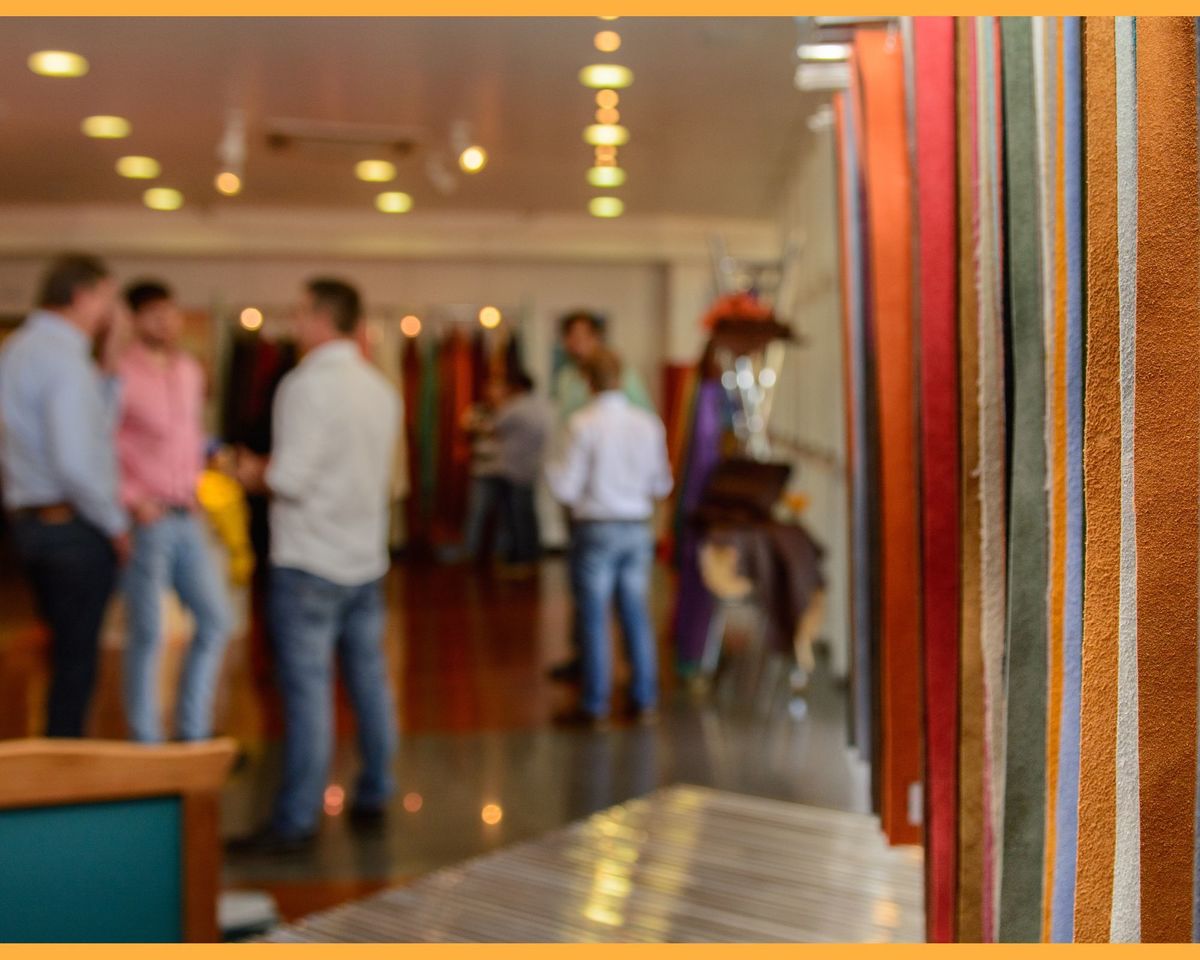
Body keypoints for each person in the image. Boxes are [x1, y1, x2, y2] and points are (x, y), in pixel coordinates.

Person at [230, 277, 400, 855]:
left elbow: (291, 478)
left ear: (323, 318)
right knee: (369, 681)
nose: (294, 323)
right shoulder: (380, 388)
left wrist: (250, 471)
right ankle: (375, 788)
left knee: (307, 692)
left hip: (310, 560)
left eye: (300, 313)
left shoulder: (304, 386)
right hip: (365, 557)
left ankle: (298, 818)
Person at [0, 253, 131, 737]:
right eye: (108, 300)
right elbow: (76, 460)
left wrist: (109, 364)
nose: (112, 314)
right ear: (82, 297)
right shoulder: (64, 358)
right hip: (72, 527)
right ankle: (64, 767)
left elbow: (88, 427)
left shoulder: (19, 348)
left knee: (61, 658)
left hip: (31, 523)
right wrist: (116, 524)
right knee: (76, 667)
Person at [116, 280, 233, 743]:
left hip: (189, 513)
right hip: (149, 519)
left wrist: (207, 467)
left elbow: (192, 433)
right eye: (155, 313)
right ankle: (146, 739)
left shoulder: (188, 370)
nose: (166, 322)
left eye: (171, 311)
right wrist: (131, 498)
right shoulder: (120, 374)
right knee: (148, 632)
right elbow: (102, 444)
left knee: (215, 618)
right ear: (135, 319)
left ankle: (193, 729)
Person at [546, 349, 673, 728]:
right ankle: (645, 698)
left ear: (587, 382)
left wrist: (550, 470)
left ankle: (595, 704)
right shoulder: (648, 424)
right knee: (636, 612)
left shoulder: (582, 424)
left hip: (597, 528)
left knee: (594, 617)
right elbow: (662, 484)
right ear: (623, 378)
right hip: (637, 527)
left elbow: (567, 489)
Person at [550, 310, 655, 683]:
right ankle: (625, 682)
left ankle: (599, 693)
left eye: (583, 336)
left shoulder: (596, 416)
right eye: (571, 336)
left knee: (604, 607)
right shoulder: (565, 380)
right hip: (613, 510)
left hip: (600, 506)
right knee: (602, 602)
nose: (576, 343)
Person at [493, 370, 552, 575]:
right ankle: (532, 555)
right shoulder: (540, 407)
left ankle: (520, 557)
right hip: (531, 468)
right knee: (528, 514)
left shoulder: (515, 407)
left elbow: (495, 425)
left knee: (516, 517)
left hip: (512, 469)